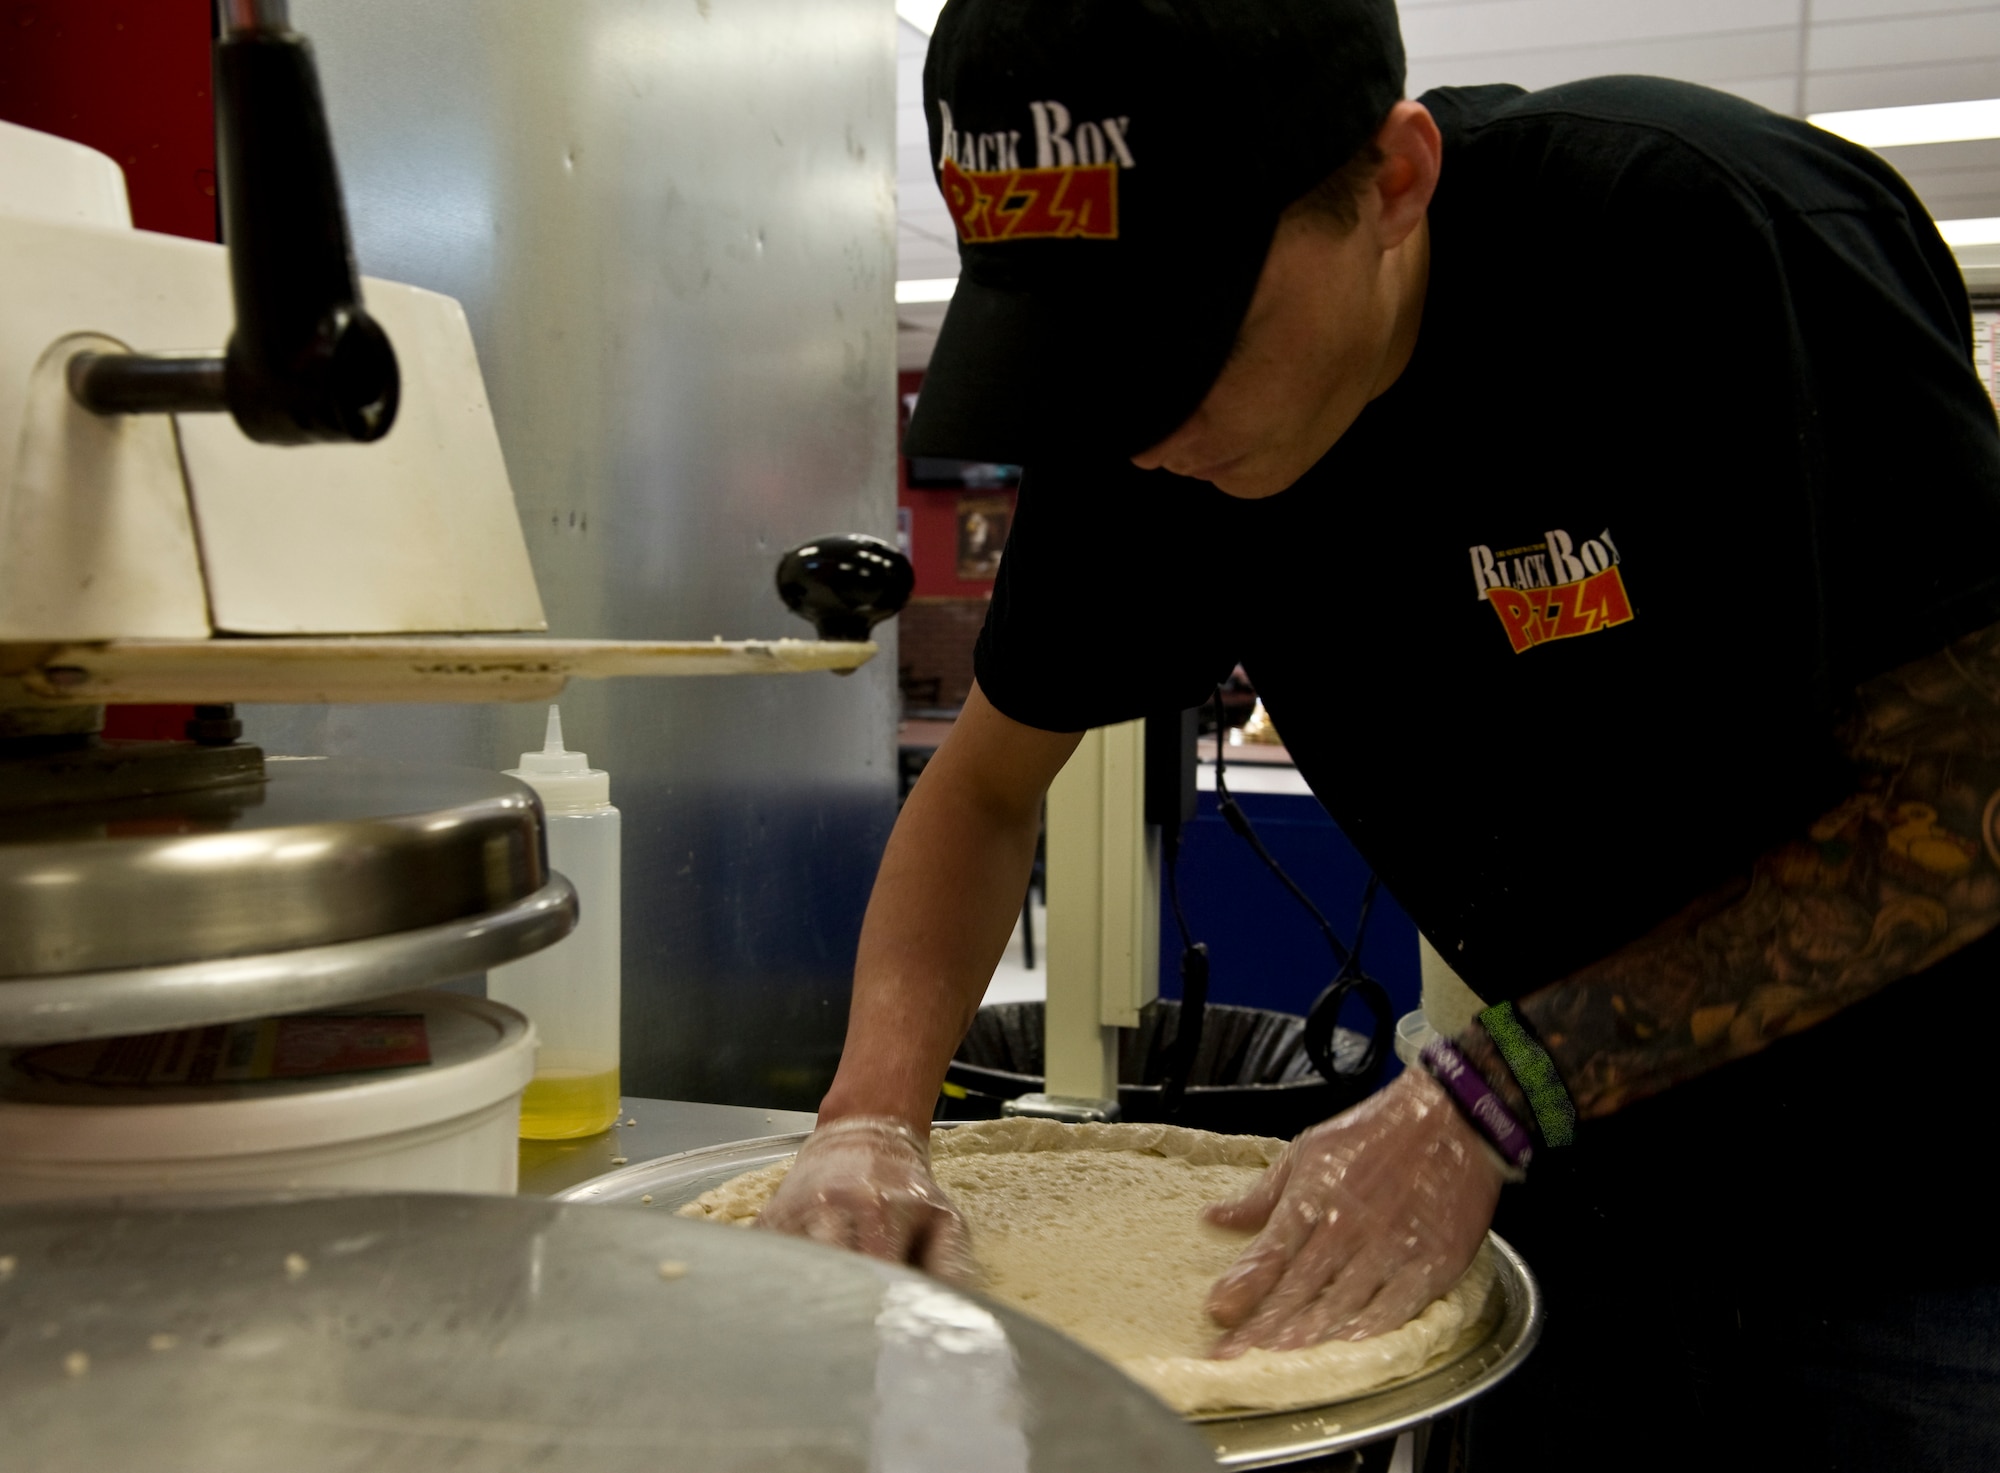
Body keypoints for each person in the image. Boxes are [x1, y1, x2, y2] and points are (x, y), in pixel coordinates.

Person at [762, 1, 2000, 1467]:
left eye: (1182, 337)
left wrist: (1497, 1085)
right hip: (1566, 1167)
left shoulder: (1702, 241)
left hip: (1921, 1197)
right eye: (1082, 354)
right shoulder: (1136, 425)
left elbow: (1972, 804)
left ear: (1395, 182)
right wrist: (868, 1118)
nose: (1141, 431)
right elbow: (982, 792)